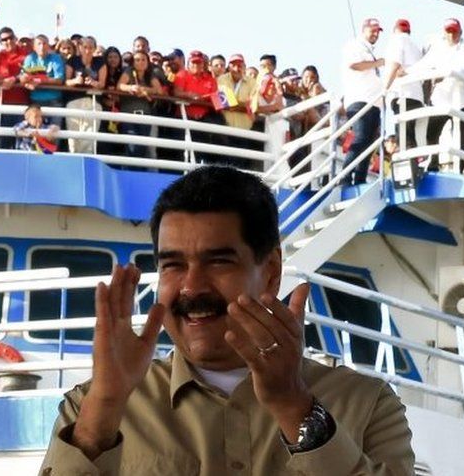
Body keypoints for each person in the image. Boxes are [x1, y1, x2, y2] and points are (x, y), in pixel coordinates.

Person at [40, 165, 415, 475]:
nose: (191, 287)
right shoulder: (89, 407)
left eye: (219, 261)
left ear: (270, 271)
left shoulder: (367, 404)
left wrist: (293, 404)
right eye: (173, 265)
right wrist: (105, 406)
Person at [407, 18, 464, 172]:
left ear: (460, 32)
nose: (451, 35)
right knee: (431, 134)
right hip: (440, 98)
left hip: (461, 100)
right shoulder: (438, 47)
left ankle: (459, 169)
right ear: (444, 33)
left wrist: (443, 73)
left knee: (460, 138)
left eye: (454, 31)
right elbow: (424, 64)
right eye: (448, 32)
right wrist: (405, 72)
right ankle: (433, 164)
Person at [341, 18, 385, 186]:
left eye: (377, 31)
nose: (375, 34)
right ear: (363, 30)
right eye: (372, 30)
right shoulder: (354, 45)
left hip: (373, 103)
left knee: (369, 143)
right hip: (360, 100)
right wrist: (378, 62)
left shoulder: (369, 51)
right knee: (360, 139)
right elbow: (354, 65)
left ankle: (360, 178)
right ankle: (345, 177)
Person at [173, 51, 225, 164]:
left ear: (203, 64)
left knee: (203, 152)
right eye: (193, 63)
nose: (196, 65)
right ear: (188, 63)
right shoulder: (182, 74)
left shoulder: (210, 79)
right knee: (181, 153)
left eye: (199, 63)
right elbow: (176, 92)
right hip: (184, 119)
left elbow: (217, 100)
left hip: (203, 120)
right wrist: (189, 95)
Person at [382, 18, 424, 149]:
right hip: (416, 96)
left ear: (394, 30)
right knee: (411, 135)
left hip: (402, 94)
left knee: (404, 136)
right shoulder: (416, 47)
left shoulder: (396, 40)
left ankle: (408, 167)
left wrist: (384, 89)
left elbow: (395, 64)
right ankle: (414, 166)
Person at [116, 50, 163, 160]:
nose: (140, 62)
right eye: (137, 60)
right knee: (133, 148)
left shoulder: (150, 74)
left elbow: (159, 91)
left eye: (143, 60)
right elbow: (120, 86)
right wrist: (131, 88)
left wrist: (145, 90)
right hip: (129, 115)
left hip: (145, 116)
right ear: (133, 62)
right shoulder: (128, 71)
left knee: (142, 149)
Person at [64, 37, 106, 154]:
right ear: (80, 48)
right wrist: (75, 81)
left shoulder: (100, 62)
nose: (87, 50)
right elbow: (66, 82)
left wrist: (94, 83)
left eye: (91, 48)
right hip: (74, 101)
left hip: (93, 101)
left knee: (89, 138)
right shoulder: (73, 60)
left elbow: (102, 84)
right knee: (73, 138)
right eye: (85, 47)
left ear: (94, 49)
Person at [216, 54, 258, 167]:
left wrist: (234, 103)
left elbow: (253, 105)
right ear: (229, 67)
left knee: (242, 167)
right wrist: (244, 105)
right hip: (225, 129)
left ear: (244, 67)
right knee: (225, 165)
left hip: (244, 130)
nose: (236, 68)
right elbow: (224, 103)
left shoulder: (252, 82)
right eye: (233, 65)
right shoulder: (221, 79)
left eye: (240, 65)